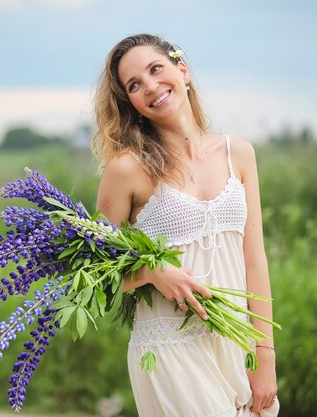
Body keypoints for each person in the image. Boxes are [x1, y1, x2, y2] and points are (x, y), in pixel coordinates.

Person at [92, 33, 279, 417]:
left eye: (155, 69)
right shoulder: (126, 169)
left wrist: (265, 353)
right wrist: (153, 271)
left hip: (234, 343)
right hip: (169, 348)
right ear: (132, 104)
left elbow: (254, 259)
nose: (151, 87)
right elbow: (93, 273)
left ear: (183, 69)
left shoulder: (239, 153)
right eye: (134, 85)